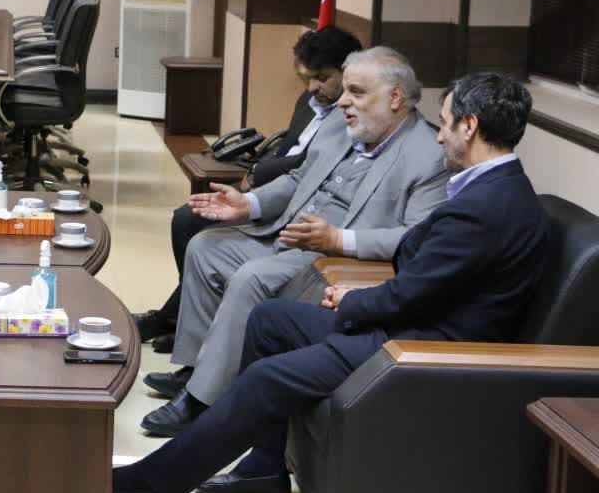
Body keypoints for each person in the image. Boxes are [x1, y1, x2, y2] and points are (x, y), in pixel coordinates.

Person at [113, 72, 549, 493]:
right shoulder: (497, 191)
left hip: (420, 348)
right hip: (415, 325)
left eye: (446, 122)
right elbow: (432, 281)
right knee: (269, 318)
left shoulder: (484, 208)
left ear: (469, 127)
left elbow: (410, 296)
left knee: (267, 378)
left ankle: (150, 483)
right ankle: (263, 468)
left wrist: (351, 300)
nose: (439, 136)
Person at [140, 47, 449, 437]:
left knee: (252, 277)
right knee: (206, 248)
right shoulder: (341, 125)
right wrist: (249, 204)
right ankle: (197, 369)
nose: (343, 101)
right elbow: (298, 179)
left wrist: (338, 238)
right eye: (345, 90)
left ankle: (203, 401)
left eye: (356, 92)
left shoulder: (428, 154)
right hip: (285, 234)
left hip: (334, 259)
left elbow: (416, 236)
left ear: (395, 98)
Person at [134, 26, 363, 351]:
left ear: (348, 71)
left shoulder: (350, 119)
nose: (313, 87)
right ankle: (187, 317)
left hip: (300, 210)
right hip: (273, 187)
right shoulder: (309, 101)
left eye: (322, 78)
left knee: (198, 228)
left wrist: (257, 175)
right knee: (187, 219)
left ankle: (173, 318)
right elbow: (288, 147)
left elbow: (307, 167)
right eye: (307, 78)